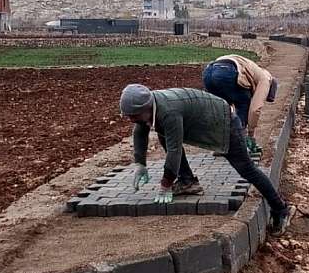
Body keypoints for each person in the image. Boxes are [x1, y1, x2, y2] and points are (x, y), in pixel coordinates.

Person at [119, 84, 295, 235]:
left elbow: (174, 152)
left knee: (246, 169)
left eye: (133, 115)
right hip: (206, 117)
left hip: (224, 122)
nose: (131, 119)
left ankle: (281, 209)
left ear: (146, 107)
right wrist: (140, 163)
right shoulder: (150, 106)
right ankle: (187, 181)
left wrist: (165, 185)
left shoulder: (169, 112)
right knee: (165, 135)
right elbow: (140, 130)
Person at [202, 54, 278, 154]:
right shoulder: (265, 80)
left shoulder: (253, 70)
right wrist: (250, 135)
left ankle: (220, 146)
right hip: (227, 72)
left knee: (221, 110)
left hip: (208, 72)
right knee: (244, 104)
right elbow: (255, 109)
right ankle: (241, 145)